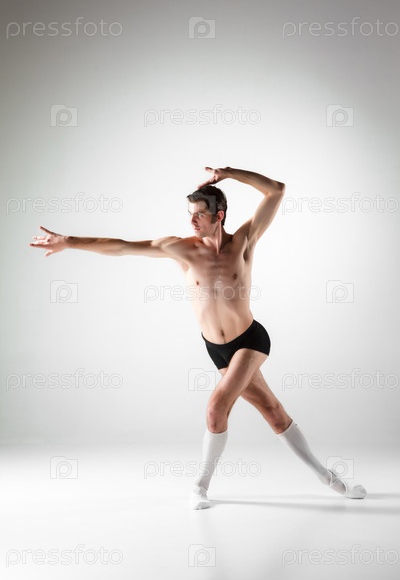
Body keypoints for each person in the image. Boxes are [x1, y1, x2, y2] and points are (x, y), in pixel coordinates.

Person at [29, 165, 367, 509]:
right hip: (216, 349)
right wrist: (70, 242)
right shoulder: (181, 248)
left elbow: (276, 190)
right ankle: (331, 479)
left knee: (216, 407)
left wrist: (230, 173)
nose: (192, 221)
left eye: (199, 215)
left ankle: (199, 487)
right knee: (273, 411)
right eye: (190, 214)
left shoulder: (243, 241)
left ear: (219, 216)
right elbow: (121, 247)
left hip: (250, 341)